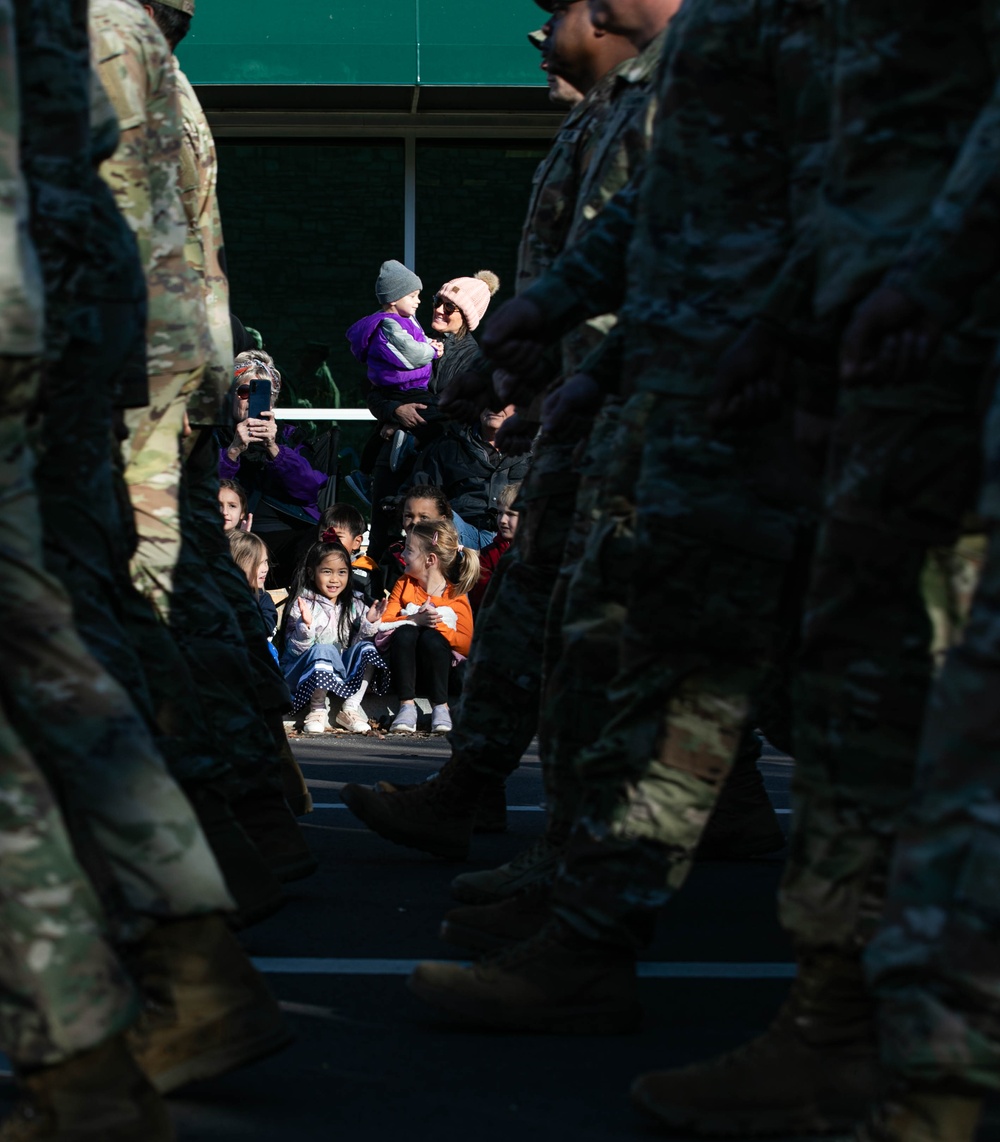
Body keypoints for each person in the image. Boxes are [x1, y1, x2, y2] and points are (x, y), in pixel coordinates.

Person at [365, 270, 501, 557]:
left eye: (449, 307)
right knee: (382, 536)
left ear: (467, 316)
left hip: (436, 464)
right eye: (438, 301)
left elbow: (453, 408)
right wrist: (394, 411)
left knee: (424, 544)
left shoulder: (474, 360)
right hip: (395, 456)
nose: (439, 309)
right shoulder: (415, 340)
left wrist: (405, 419)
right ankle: (379, 597)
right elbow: (376, 388)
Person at [218, 350, 330, 588]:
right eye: (244, 391)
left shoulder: (290, 437)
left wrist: (273, 447)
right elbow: (199, 491)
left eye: (260, 393)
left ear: (273, 399)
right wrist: (233, 450)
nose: (250, 399)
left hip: (285, 537)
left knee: (317, 543)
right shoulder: (213, 438)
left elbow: (309, 489)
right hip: (230, 535)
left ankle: (303, 619)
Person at [365, 521, 479, 739]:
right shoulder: (404, 583)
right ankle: (406, 705)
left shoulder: (455, 594)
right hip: (404, 670)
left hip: (442, 674)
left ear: (430, 560)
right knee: (406, 632)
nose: (402, 555)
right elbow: (387, 620)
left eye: (409, 550)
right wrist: (415, 618)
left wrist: (438, 626)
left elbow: (467, 644)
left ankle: (441, 707)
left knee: (433, 638)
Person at [280, 538, 390, 734]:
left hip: (340, 672)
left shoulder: (356, 603)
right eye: (327, 572)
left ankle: (350, 708)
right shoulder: (303, 603)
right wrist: (305, 627)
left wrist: (369, 623)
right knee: (324, 648)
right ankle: (317, 709)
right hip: (304, 672)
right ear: (311, 573)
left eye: (342, 572)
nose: (334, 579)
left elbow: (356, 648)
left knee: (368, 648)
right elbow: (295, 651)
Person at [408, 404, 531, 549]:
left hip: (516, 540)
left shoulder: (537, 451)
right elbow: (419, 492)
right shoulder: (448, 446)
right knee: (434, 515)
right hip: (459, 534)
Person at [346, 259, 443, 402]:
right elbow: (411, 353)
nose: (418, 301)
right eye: (412, 296)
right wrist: (432, 351)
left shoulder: (405, 319)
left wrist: (431, 342)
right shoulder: (390, 325)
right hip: (403, 390)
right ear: (393, 299)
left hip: (411, 387)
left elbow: (416, 338)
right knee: (437, 416)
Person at [375, 484, 456, 598]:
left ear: (442, 520)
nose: (415, 522)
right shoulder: (394, 555)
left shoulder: (453, 557)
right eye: (408, 516)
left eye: (424, 517)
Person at [469, 482, 521, 613]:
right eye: (500, 513)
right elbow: (480, 598)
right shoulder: (489, 555)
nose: (502, 520)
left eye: (511, 514)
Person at [318, 502, 378, 599]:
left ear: (357, 542)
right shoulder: (311, 566)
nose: (330, 540)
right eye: (323, 535)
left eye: (338, 536)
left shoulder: (366, 573)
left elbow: (375, 605)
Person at [229, 530, 278, 641]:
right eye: (257, 563)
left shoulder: (263, 599)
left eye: (265, 561)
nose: (265, 569)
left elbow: (264, 629)